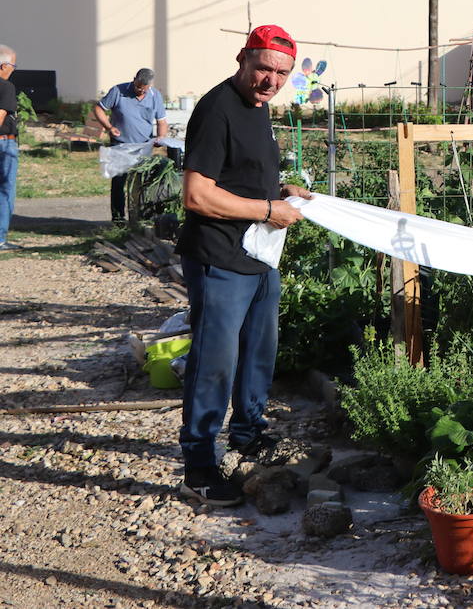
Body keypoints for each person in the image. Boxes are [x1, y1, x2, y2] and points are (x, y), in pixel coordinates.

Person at [176, 25, 311, 506]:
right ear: (241, 59)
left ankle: (248, 434)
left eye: (281, 73)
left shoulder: (260, 109)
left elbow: (240, 177)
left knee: (258, 352)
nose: (270, 81)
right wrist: (267, 211)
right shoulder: (217, 110)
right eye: (262, 69)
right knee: (214, 362)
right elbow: (197, 194)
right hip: (219, 258)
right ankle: (198, 466)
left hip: (256, 254)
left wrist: (280, 192)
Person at [93, 68, 168, 224]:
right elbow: (99, 109)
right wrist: (109, 127)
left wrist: (160, 137)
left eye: (144, 88)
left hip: (143, 147)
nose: (140, 90)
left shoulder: (155, 96)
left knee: (142, 184)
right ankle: (118, 219)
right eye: (138, 86)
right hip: (120, 145)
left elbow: (161, 121)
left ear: (150, 86)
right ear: (134, 80)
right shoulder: (118, 91)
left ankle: (140, 218)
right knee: (119, 184)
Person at [0, 45, 18, 253]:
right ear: (3, 65)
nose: (14, 69)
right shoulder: (6, 86)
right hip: (4, 143)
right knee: (5, 190)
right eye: (13, 65)